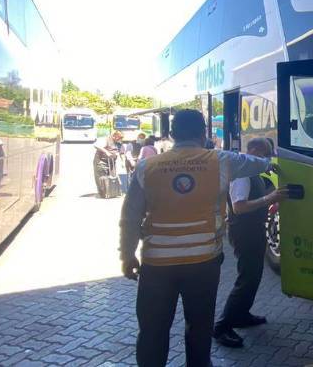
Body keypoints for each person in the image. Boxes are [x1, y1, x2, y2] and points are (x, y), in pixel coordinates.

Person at [119, 109, 277, 367]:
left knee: (152, 331)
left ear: (171, 134)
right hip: (203, 263)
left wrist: (127, 256)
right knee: (199, 328)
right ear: (203, 132)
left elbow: (130, 217)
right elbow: (260, 162)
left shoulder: (147, 166)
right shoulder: (222, 160)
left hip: (157, 265)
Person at [213, 138, 289, 348]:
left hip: (252, 229)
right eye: (265, 154)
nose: (266, 158)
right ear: (254, 150)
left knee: (254, 275)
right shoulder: (242, 173)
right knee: (246, 277)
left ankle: (241, 315)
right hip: (244, 230)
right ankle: (222, 327)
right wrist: (269, 198)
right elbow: (239, 207)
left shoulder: (251, 171)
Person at [93, 130, 123, 197]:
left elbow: (121, 152)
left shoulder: (118, 142)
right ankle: (103, 194)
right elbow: (96, 145)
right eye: (119, 137)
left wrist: (122, 161)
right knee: (102, 177)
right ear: (114, 136)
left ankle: (112, 192)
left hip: (111, 162)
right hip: (101, 162)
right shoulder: (106, 139)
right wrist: (106, 152)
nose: (120, 139)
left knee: (112, 178)